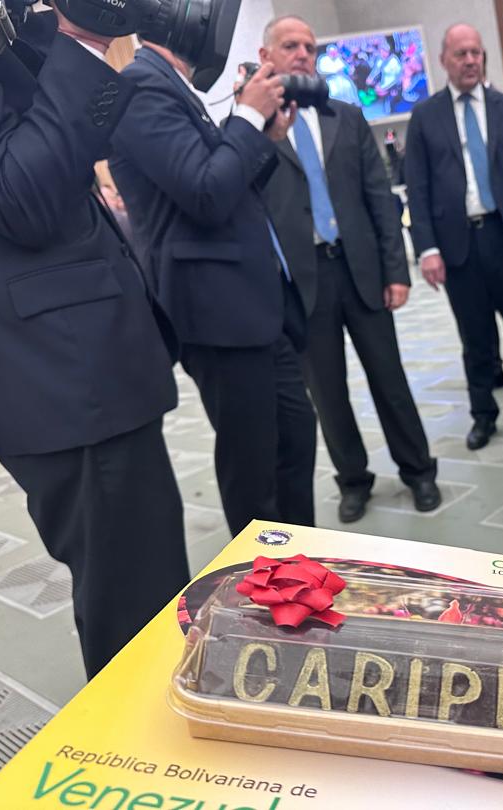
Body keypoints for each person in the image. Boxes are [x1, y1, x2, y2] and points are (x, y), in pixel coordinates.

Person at [0, 4, 190, 677]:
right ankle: (143, 762)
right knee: (139, 617)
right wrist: (84, 34)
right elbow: (20, 193)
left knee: (149, 594)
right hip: (58, 372)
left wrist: (63, 28)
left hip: (74, 363)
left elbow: (57, 143)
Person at [109, 39, 318, 536]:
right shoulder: (141, 85)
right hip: (217, 311)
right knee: (252, 466)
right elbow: (205, 194)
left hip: (255, 303)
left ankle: (301, 564)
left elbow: (229, 185)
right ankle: (267, 589)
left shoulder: (173, 86)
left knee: (295, 437)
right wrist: (245, 117)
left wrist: (264, 135)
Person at [258, 15, 441, 524]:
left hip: (360, 271)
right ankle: (353, 480)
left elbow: (379, 198)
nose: (302, 54)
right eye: (290, 45)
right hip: (303, 281)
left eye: (310, 47)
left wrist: (396, 270)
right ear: (266, 54)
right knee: (328, 392)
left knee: (389, 377)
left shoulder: (346, 117)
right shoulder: (254, 128)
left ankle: (419, 470)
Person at [405, 24, 503, 451]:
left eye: (476, 53)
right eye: (461, 54)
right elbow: (418, 188)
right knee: (475, 340)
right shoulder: (425, 117)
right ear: (443, 60)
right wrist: (427, 249)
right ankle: (483, 415)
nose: (470, 60)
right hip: (458, 247)